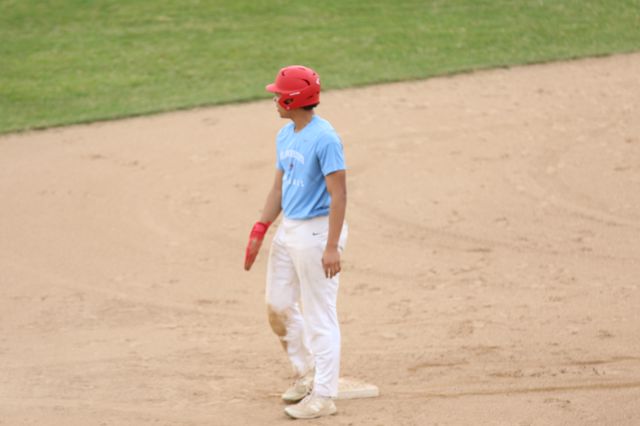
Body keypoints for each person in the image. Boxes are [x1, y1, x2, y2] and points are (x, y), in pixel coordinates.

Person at [244, 65, 348, 419]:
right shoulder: (285, 135)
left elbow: (339, 195)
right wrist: (260, 228)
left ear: (292, 100)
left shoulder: (326, 139)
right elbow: (279, 187)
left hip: (317, 232)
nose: (274, 100)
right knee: (278, 306)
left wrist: (331, 246)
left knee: (320, 316)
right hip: (289, 229)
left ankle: (324, 395)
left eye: (278, 95)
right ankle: (307, 373)